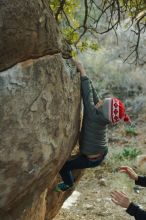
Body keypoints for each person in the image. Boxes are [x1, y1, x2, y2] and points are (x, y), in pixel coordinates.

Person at [54, 61, 131, 192]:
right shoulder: (101, 114)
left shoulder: (93, 115)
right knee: (73, 161)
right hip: (100, 150)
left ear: (103, 110)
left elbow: (88, 96)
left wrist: (83, 71)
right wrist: (86, 76)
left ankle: (68, 184)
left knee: (64, 167)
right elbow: (94, 95)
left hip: (92, 158)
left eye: (102, 102)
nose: (100, 101)